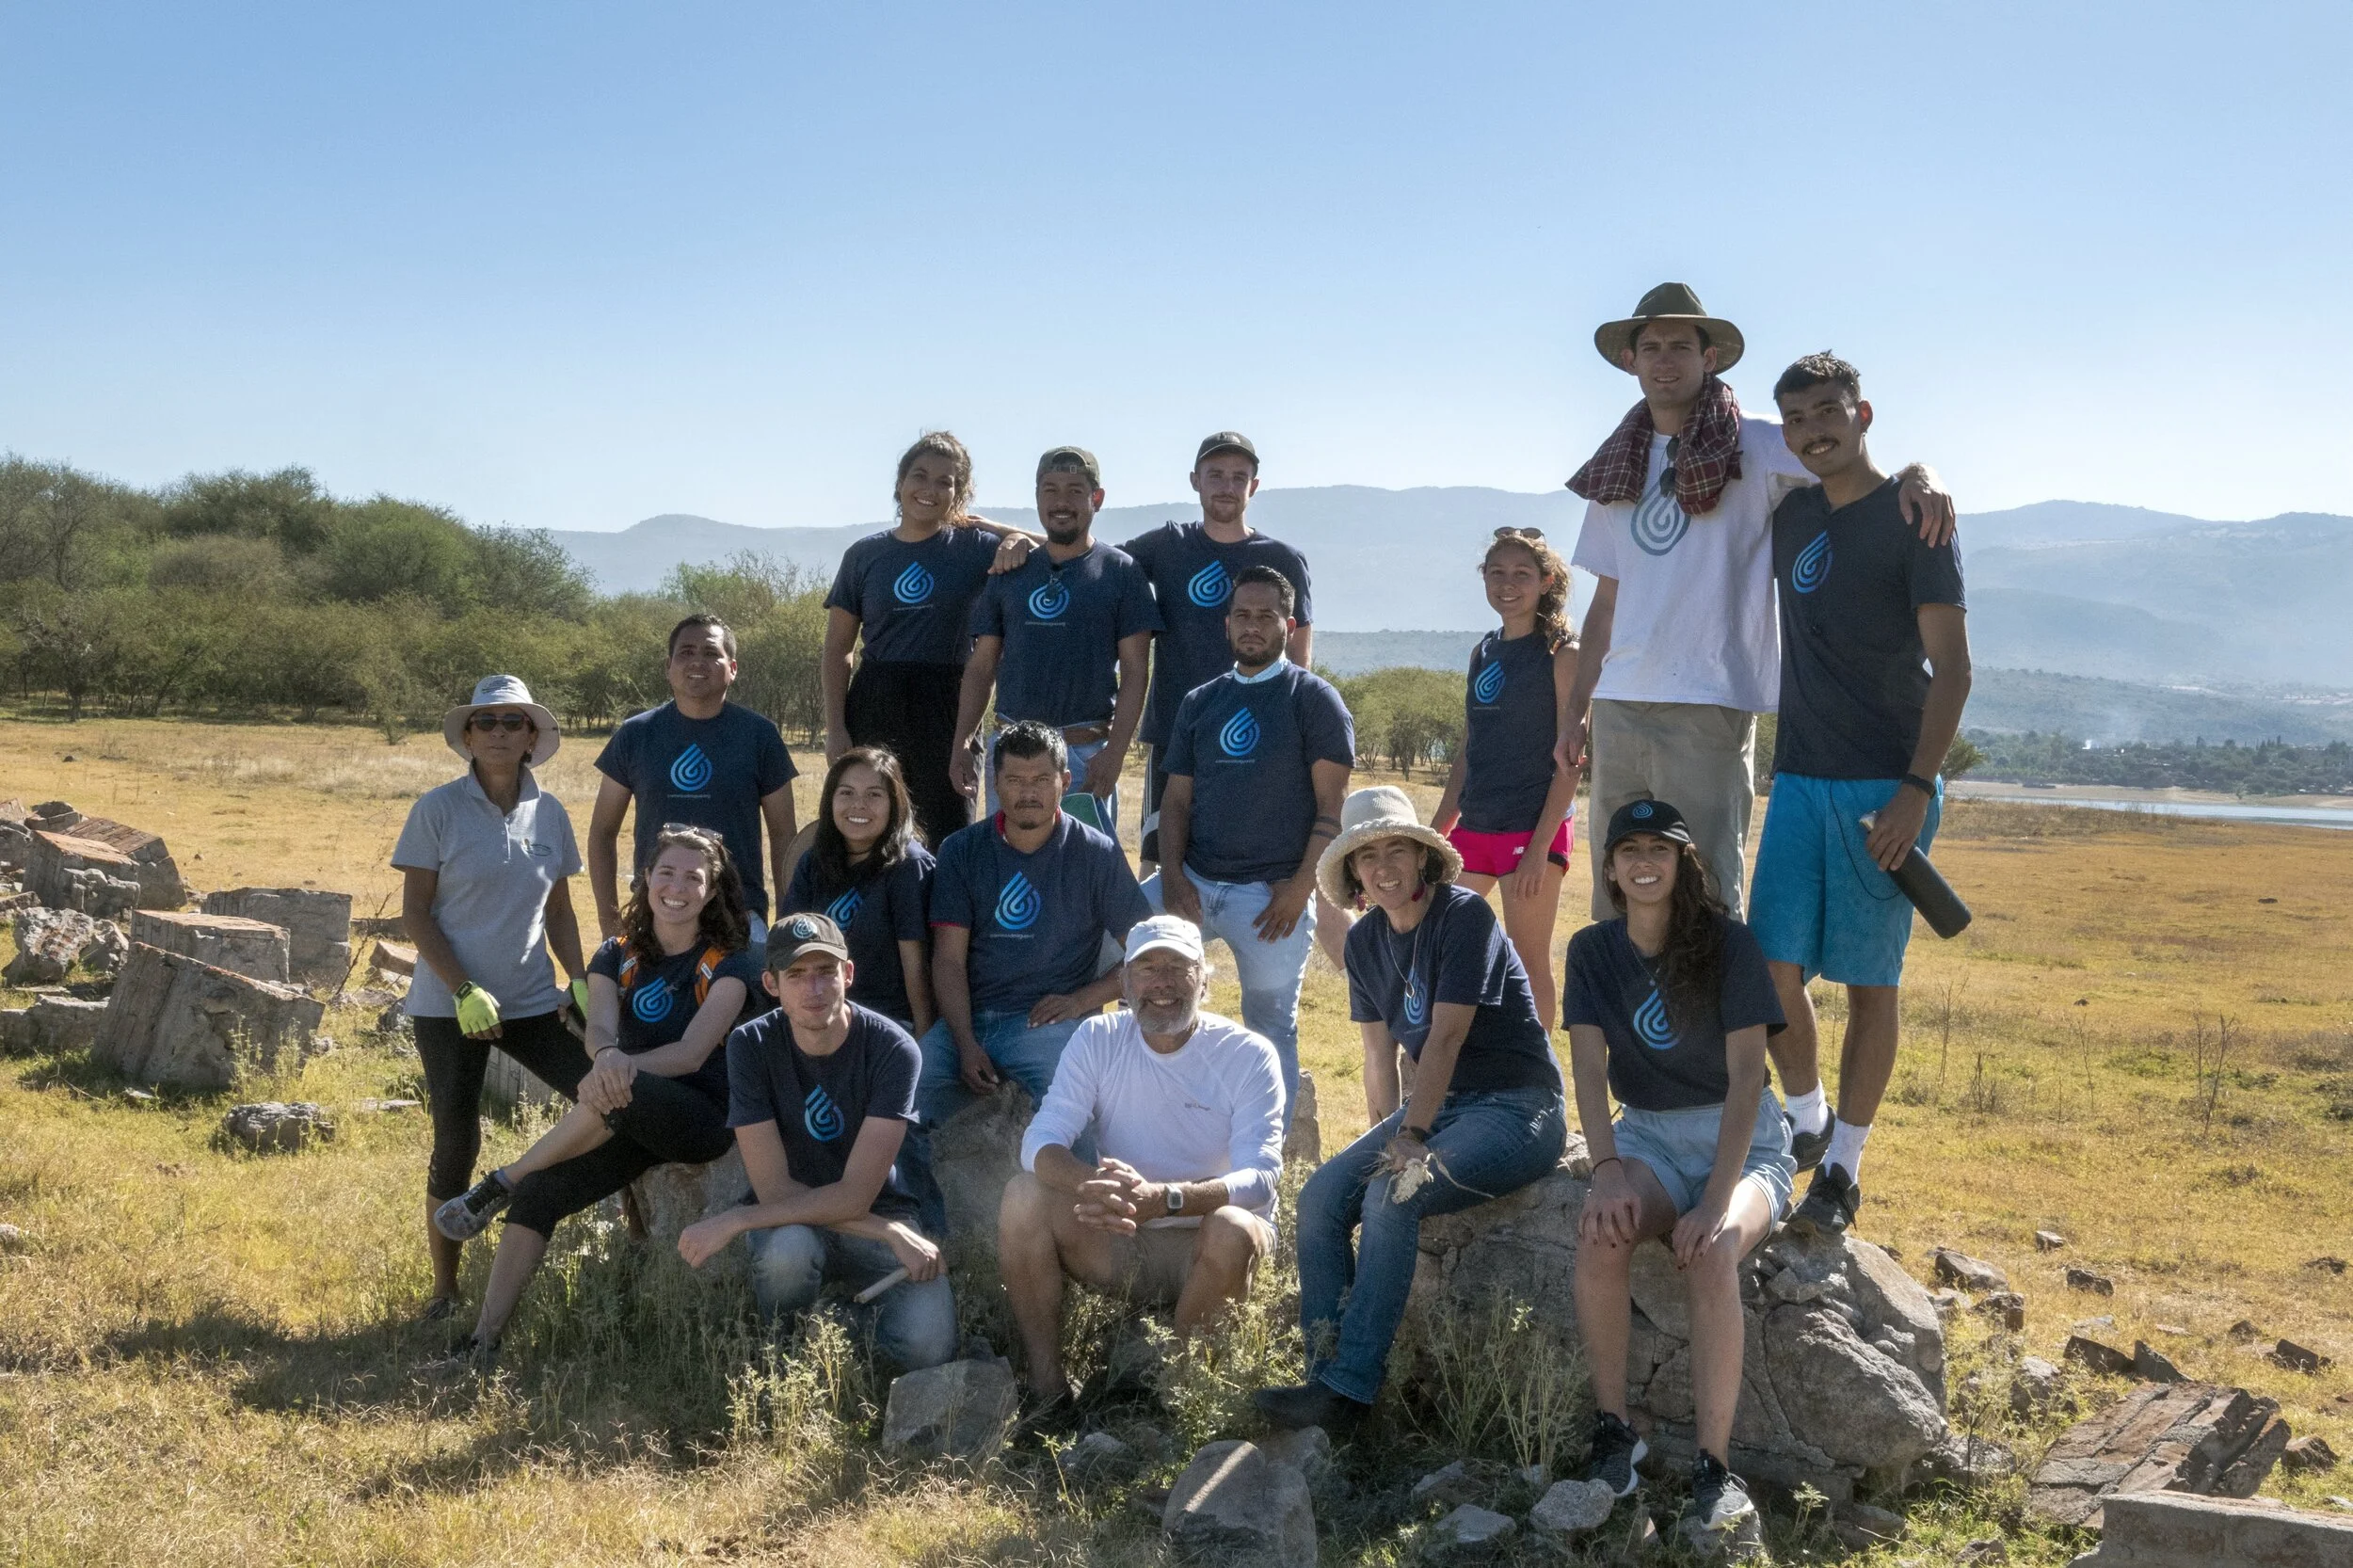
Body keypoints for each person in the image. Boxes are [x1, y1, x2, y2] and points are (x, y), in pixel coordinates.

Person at [1562, 283, 1954, 922]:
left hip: (1711, 698)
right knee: (1616, 886)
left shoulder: (1759, 442)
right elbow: (1608, 597)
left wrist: (1921, 474)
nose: (1665, 360)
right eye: (1651, 347)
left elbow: (1854, 464)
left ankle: (1720, 1024)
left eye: (1680, 346)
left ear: (1709, 357)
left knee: (1707, 886)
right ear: (1630, 361)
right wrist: (1577, 707)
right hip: (1619, 700)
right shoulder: (1615, 465)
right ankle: (1620, 1021)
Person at [1252, 787, 1568, 1436]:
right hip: (1443, 1108)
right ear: (1353, 875)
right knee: (1318, 1199)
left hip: (1517, 1105)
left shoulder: (1464, 916)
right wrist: (1389, 1133)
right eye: (1368, 856)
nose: (1384, 865)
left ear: (1425, 859)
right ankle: (1322, 1372)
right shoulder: (1366, 941)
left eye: (1398, 848)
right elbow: (1376, 1057)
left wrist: (1413, 1139)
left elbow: (1447, 1036)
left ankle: (1349, 1396)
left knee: (1394, 1197)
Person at [1751, 353, 1972, 1234]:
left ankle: (1844, 1166)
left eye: (1828, 412)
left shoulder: (1917, 521)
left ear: (1863, 411)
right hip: (1800, 777)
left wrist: (1918, 790)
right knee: (1769, 968)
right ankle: (1804, 1121)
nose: (1813, 431)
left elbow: (1952, 670)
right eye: (1797, 419)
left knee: (1870, 985)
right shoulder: (1791, 509)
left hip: (1888, 784)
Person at [993, 430, 1352, 970]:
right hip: (1179, 747)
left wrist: (1297, 738)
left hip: (1271, 754)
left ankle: (1372, 992)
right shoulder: (1168, 545)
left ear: (1254, 486)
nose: (1226, 486)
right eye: (1215, 474)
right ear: (1195, 482)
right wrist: (1012, 537)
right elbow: (1086, 554)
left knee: (1296, 883)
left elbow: (1299, 659)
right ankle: (1164, 1005)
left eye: (1238, 476)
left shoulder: (1282, 558)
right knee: (1165, 882)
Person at [430, 825, 761, 1362]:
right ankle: (481, 1343)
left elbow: (691, 1054)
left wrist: (614, 1068)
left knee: (617, 1091)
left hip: (700, 1116)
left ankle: (501, 1180)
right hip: (628, 1113)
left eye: (694, 878)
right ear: (646, 878)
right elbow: (600, 1030)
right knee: (541, 1196)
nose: (677, 887)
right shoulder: (616, 953)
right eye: (667, 872)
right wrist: (607, 1059)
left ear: (713, 890)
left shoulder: (731, 961)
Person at [1566, 798, 1793, 1547]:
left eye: (1659, 850)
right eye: (1628, 849)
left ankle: (1713, 1466)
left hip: (1745, 1142)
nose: (1644, 862)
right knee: (1604, 1232)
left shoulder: (1729, 945)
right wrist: (1605, 1169)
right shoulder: (1592, 952)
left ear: (1682, 863)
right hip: (1651, 1139)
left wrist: (1715, 1201)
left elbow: (1748, 1080)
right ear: (1609, 868)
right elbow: (1591, 1070)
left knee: (1712, 1250)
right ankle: (1613, 1433)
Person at [998, 915, 1284, 1410]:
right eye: (1147, 968)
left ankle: (1176, 1398)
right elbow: (1040, 1143)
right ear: (1125, 985)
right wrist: (1092, 1185)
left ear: (1205, 981)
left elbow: (1262, 1178)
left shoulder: (1248, 1054)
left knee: (1235, 1225)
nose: (1163, 983)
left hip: (1210, 1248)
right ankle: (1048, 1393)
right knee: (1023, 1196)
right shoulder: (1097, 1038)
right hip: (1125, 1236)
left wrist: (1167, 1199)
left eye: (1179, 967)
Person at [676, 913, 956, 1372]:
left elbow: (856, 1194)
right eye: (797, 976)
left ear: (848, 974)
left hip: (879, 1207)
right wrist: (888, 1234)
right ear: (771, 983)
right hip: (794, 1221)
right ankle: (781, 1356)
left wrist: (737, 1219)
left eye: (826, 971)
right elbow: (773, 1192)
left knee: (930, 1347)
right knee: (789, 1252)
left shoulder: (893, 1049)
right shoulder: (749, 1045)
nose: (814, 989)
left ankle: (833, 1329)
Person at [393, 675, 592, 1323]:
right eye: (488, 723)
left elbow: (559, 910)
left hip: (532, 999)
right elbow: (416, 915)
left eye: (514, 722)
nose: (501, 733)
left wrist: (583, 978)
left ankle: (617, 1231)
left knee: (604, 1101)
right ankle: (445, 1291)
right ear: (468, 736)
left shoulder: (552, 813)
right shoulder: (438, 810)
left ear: (533, 735)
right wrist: (461, 988)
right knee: (456, 1137)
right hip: (448, 1004)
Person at [1148, 564, 1352, 1117]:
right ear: (1227, 624)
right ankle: (1148, 1107)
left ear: (1288, 624)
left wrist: (1299, 889)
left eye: (1266, 616)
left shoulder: (1314, 700)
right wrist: (1170, 877)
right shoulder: (1200, 702)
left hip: (1271, 897)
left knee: (1269, 1026)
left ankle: (1269, 1159)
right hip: (1192, 880)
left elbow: (1330, 807)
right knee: (1112, 951)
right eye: (1243, 615)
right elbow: (1175, 803)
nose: (1253, 626)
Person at [918, 721, 1152, 1134]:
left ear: (1064, 781)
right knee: (908, 1094)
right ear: (996, 783)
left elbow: (1147, 953)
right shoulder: (961, 851)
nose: (1028, 794)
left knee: (1074, 1109)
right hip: (968, 1019)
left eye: (1042, 780)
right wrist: (965, 1041)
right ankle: (908, 1199)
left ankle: (1075, 1196)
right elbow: (948, 960)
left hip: (1045, 1025)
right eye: (1015, 780)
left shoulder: (1095, 853)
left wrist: (1080, 1002)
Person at [821, 432, 1044, 849]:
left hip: (951, 703)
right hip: (875, 700)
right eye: (919, 476)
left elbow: (1068, 550)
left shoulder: (976, 547)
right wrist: (835, 729)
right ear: (900, 483)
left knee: (949, 834)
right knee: (868, 829)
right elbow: (838, 650)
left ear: (960, 493)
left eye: (946, 481)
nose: (930, 489)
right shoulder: (863, 556)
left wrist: (1008, 534)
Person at [949, 446, 1160, 828]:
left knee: (1084, 879)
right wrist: (963, 742)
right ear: (1037, 497)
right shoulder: (1009, 571)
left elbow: (1134, 671)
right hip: (1011, 755)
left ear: (1097, 499)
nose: (1062, 502)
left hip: (1086, 757)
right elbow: (981, 668)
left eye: (1075, 491)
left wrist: (1114, 753)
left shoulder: (1122, 572)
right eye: (1050, 490)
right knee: (1009, 875)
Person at [1432, 527, 1583, 1029]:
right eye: (1496, 573)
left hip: (1533, 828)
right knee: (1443, 942)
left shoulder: (1563, 653)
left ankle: (1538, 1076)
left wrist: (1541, 847)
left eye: (1521, 574)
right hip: (1476, 824)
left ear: (1547, 581)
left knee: (1529, 959)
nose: (1507, 584)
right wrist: (1436, 832)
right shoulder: (1484, 651)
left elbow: (1571, 760)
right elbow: (1469, 750)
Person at [588, 614, 799, 940]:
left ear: (732, 668)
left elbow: (785, 835)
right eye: (686, 652)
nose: (697, 661)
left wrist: (788, 922)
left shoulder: (760, 735)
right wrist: (610, 927)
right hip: (655, 913)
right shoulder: (635, 734)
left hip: (738, 917)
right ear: (668, 666)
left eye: (711, 653)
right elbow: (602, 833)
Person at [781, 746, 936, 1036]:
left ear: (894, 803)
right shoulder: (814, 861)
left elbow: (915, 965)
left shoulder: (908, 866)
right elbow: (790, 948)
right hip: (821, 1016)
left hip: (888, 1022)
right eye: (847, 793)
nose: (859, 805)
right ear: (831, 800)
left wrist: (922, 1040)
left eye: (874, 795)